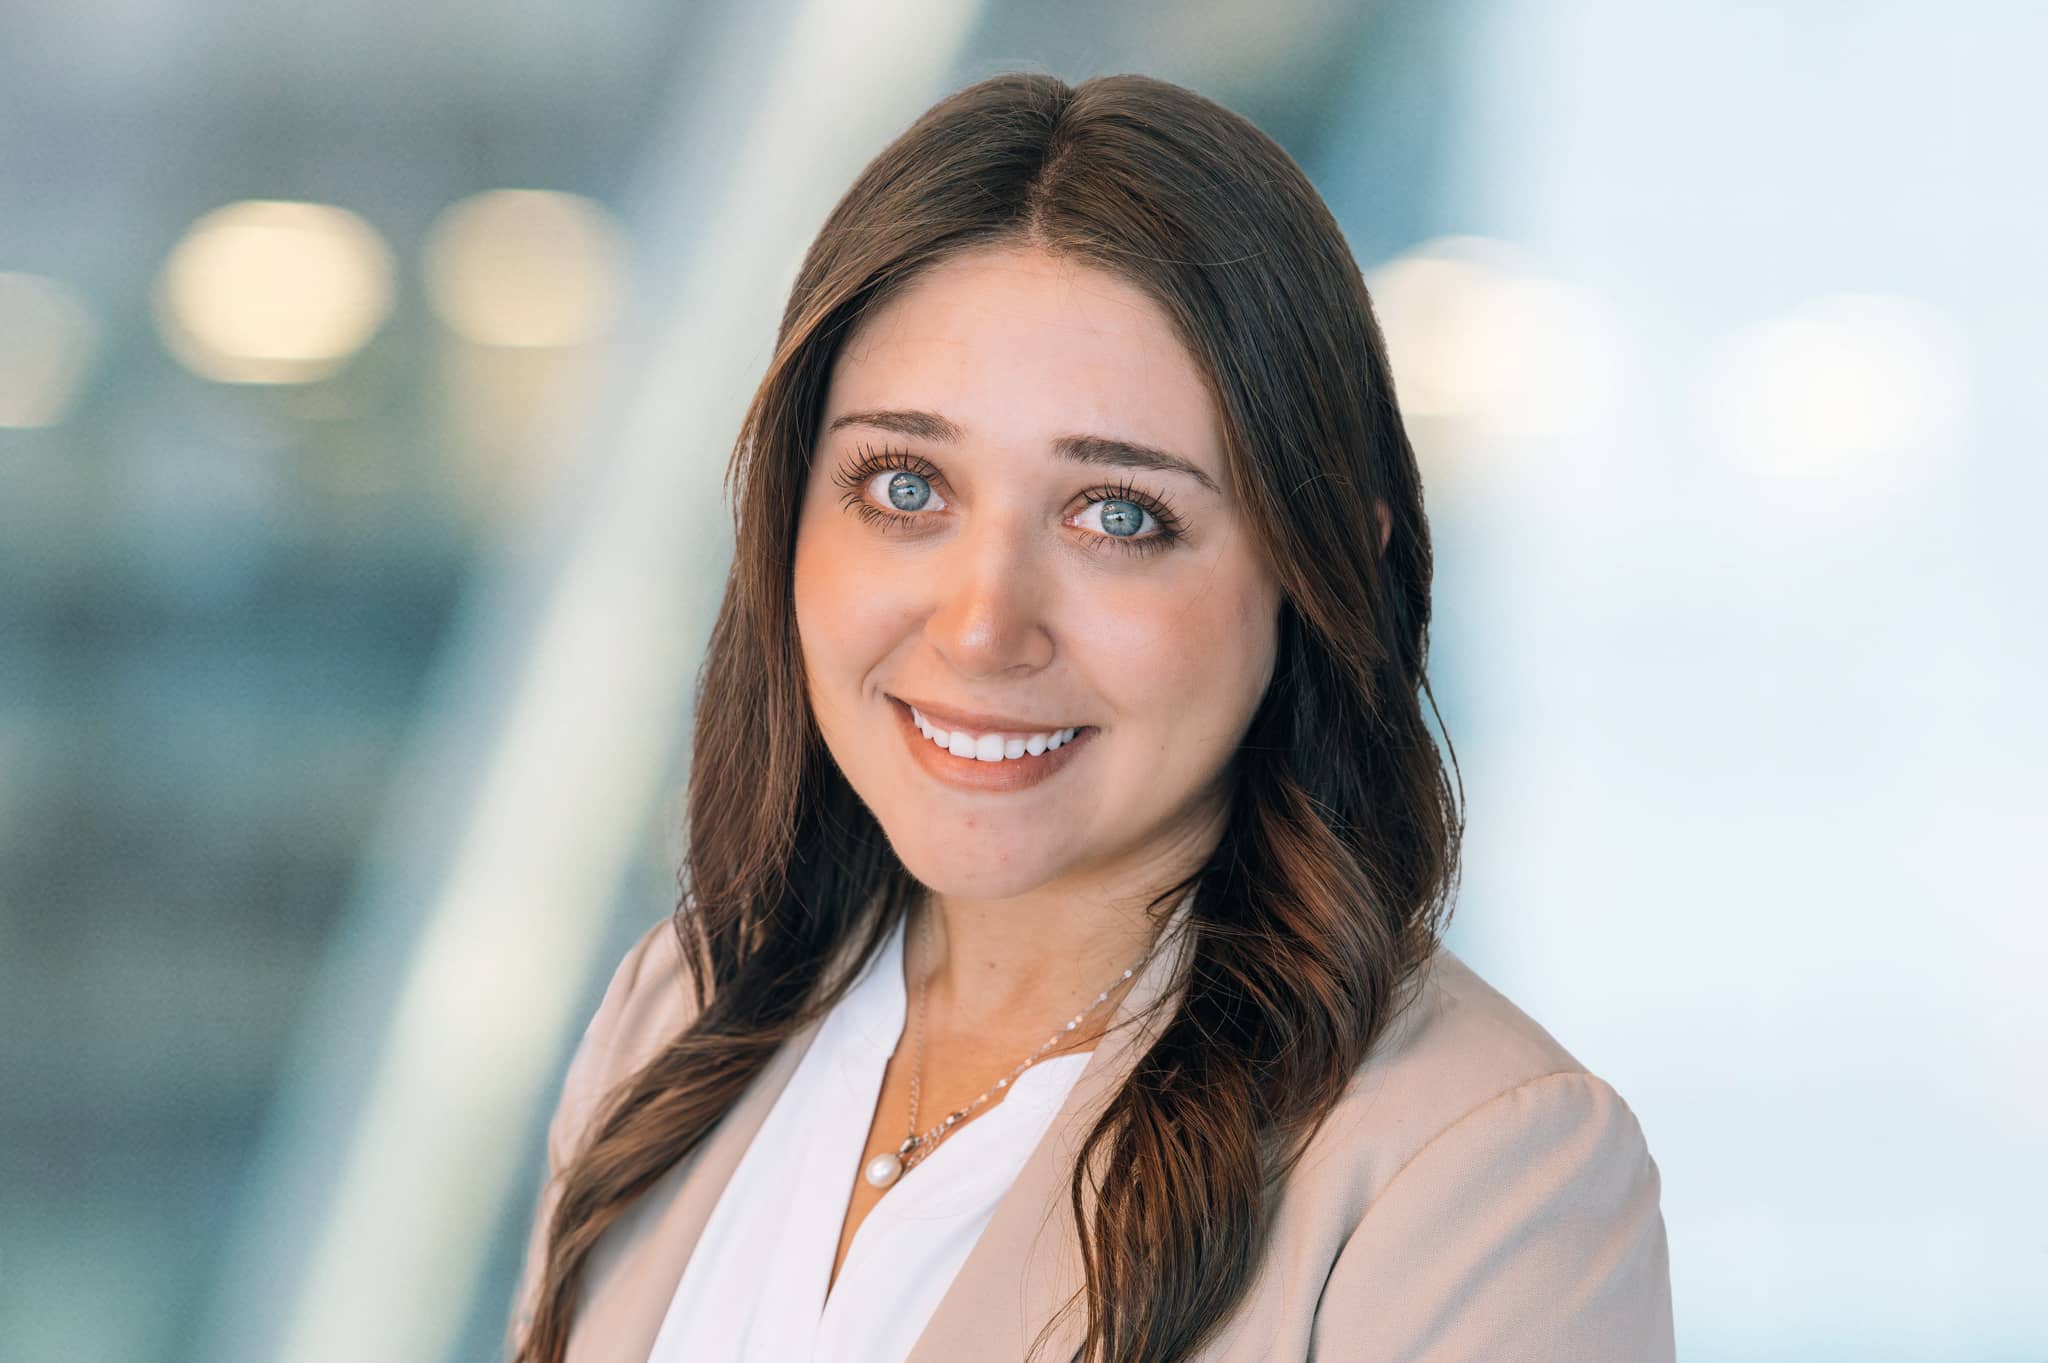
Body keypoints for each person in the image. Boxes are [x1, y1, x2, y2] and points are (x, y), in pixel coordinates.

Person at [505, 70, 1674, 1363]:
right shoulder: (681, 1014)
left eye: (1118, 514)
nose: (981, 627)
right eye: (905, 486)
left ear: (1319, 563)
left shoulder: (1480, 1170)